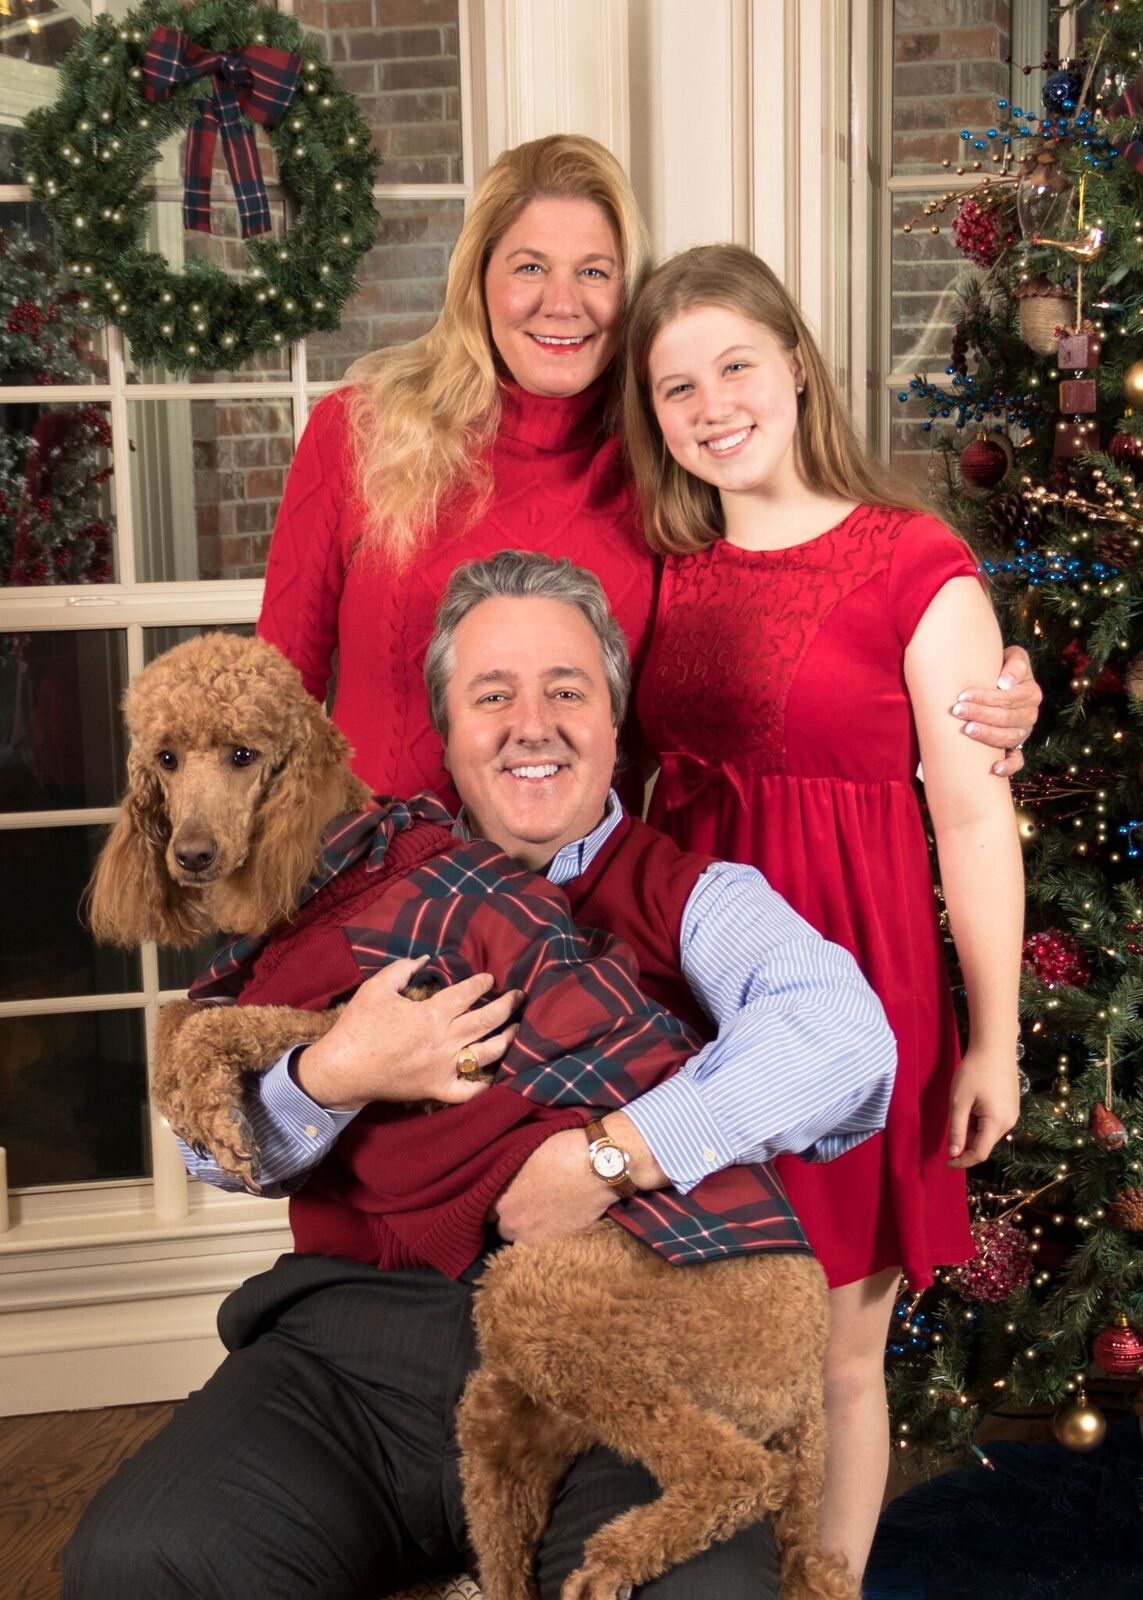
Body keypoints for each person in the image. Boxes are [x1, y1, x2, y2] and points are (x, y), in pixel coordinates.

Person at [64, 552, 897, 1600]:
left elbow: (843, 1034)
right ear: (446, 734)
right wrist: (336, 1069)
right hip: (357, 1352)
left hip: (619, 1358)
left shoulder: (694, 896)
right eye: (492, 695)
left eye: (567, 691)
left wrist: (611, 1156)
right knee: (142, 1562)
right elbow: (208, 1147)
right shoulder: (338, 879)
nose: (531, 723)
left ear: (614, 723)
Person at [621, 242, 1026, 1582]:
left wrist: (994, 1039)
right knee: (694, 1330)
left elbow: (970, 817)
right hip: (680, 990)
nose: (711, 405)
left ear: (795, 362)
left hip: (855, 988)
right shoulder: (654, 565)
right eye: (675, 386)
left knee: (839, 1352)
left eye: (733, 364)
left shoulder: (914, 563)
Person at [257, 133, 1039, 817]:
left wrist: (975, 680)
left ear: (627, 292)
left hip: (586, 924)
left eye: (594, 272)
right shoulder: (360, 432)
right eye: (529, 266)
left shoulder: (670, 465)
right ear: (478, 282)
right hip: (374, 898)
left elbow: (803, 618)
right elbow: (268, 697)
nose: (561, 303)